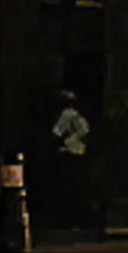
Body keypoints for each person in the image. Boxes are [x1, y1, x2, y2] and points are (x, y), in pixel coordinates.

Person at [46, 90, 102, 241]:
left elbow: (56, 133)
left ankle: (68, 219)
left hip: (69, 152)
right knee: (79, 187)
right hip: (80, 153)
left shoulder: (67, 115)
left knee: (68, 187)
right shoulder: (79, 117)